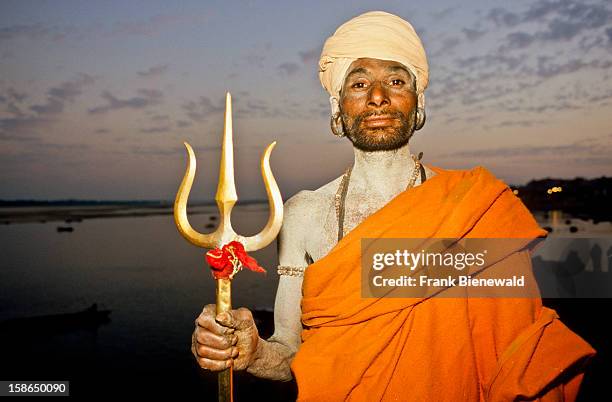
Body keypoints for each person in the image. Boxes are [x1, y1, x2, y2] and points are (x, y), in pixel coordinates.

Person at [192, 11, 595, 401]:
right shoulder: (303, 215)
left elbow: (514, 353)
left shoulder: (475, 210)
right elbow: (292, 354)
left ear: (418, 105)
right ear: (337, 109)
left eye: (396, 81)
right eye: (359, 83)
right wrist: (254, 353)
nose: (378, 97)